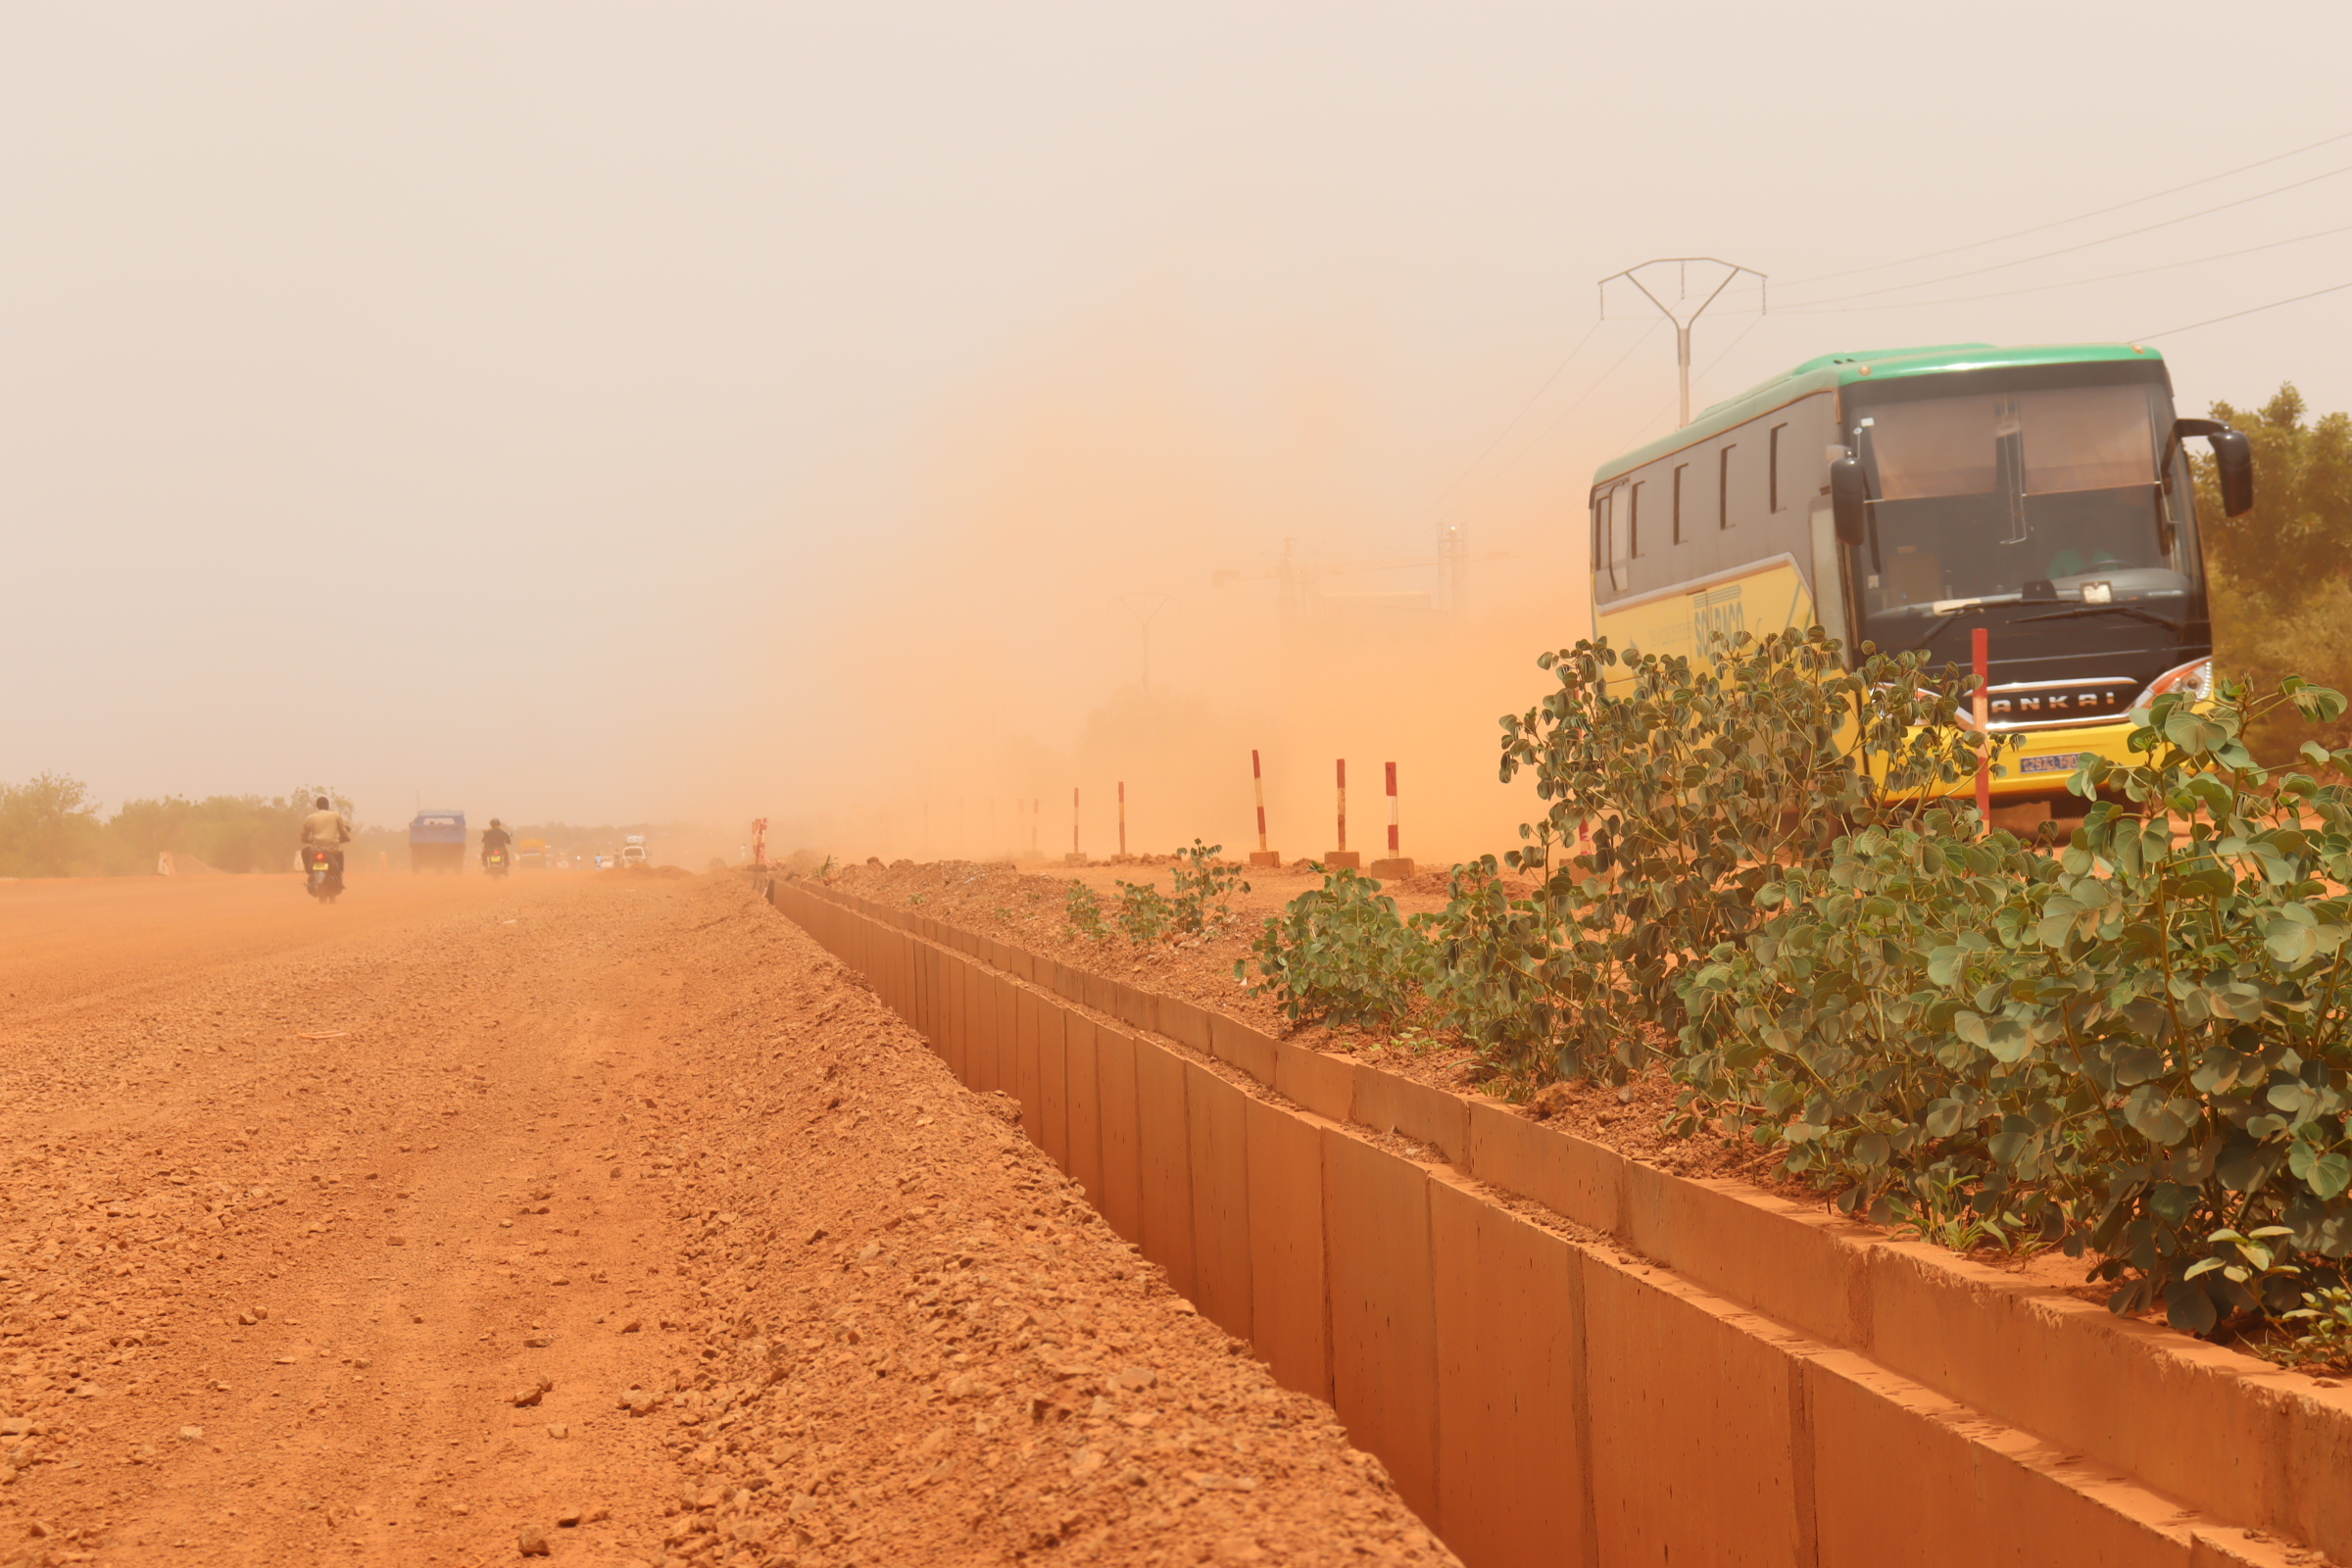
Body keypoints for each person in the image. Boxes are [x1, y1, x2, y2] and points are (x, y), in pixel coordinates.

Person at [300, 796, 351, 892]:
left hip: (316, 848)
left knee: (305, 852)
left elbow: (304, 834)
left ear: (317, 806)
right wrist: (345, 838)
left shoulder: (310, 817)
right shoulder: (336, 815)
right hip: (333, 848)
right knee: (340, 856)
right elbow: (343, 831)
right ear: (327, 805)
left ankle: (310, 874)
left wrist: (306, 840)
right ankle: (339, 878)